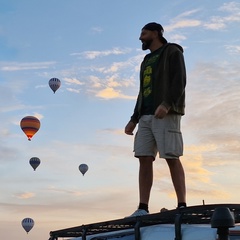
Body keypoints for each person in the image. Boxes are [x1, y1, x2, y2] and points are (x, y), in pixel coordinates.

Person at [124, 22, 187, 217]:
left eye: (143, 33)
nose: (140, 37)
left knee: (171, 156)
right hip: (145, 115)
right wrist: (134, 118)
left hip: (166, 112)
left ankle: (182, 205)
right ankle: (142, 208)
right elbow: (143, 91)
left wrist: (167, 103)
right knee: (143, 157)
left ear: (156, 33)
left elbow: (180, 80)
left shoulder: (172, 51)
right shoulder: (146, 60)